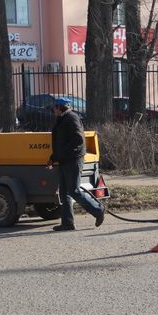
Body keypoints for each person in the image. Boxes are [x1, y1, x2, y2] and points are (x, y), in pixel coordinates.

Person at [49, 97, 105, 231]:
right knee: (64, 193)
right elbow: (59, 141)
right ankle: (67, 223)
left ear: (60, 107)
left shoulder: (71, 118)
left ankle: (98, 210)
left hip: (73, 160)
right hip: (64, 159)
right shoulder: (62, 119)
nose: (53, 110)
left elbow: (78, 140)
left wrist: (62, 154)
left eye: (55, 107)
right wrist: (54, 157)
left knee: (74, 190)